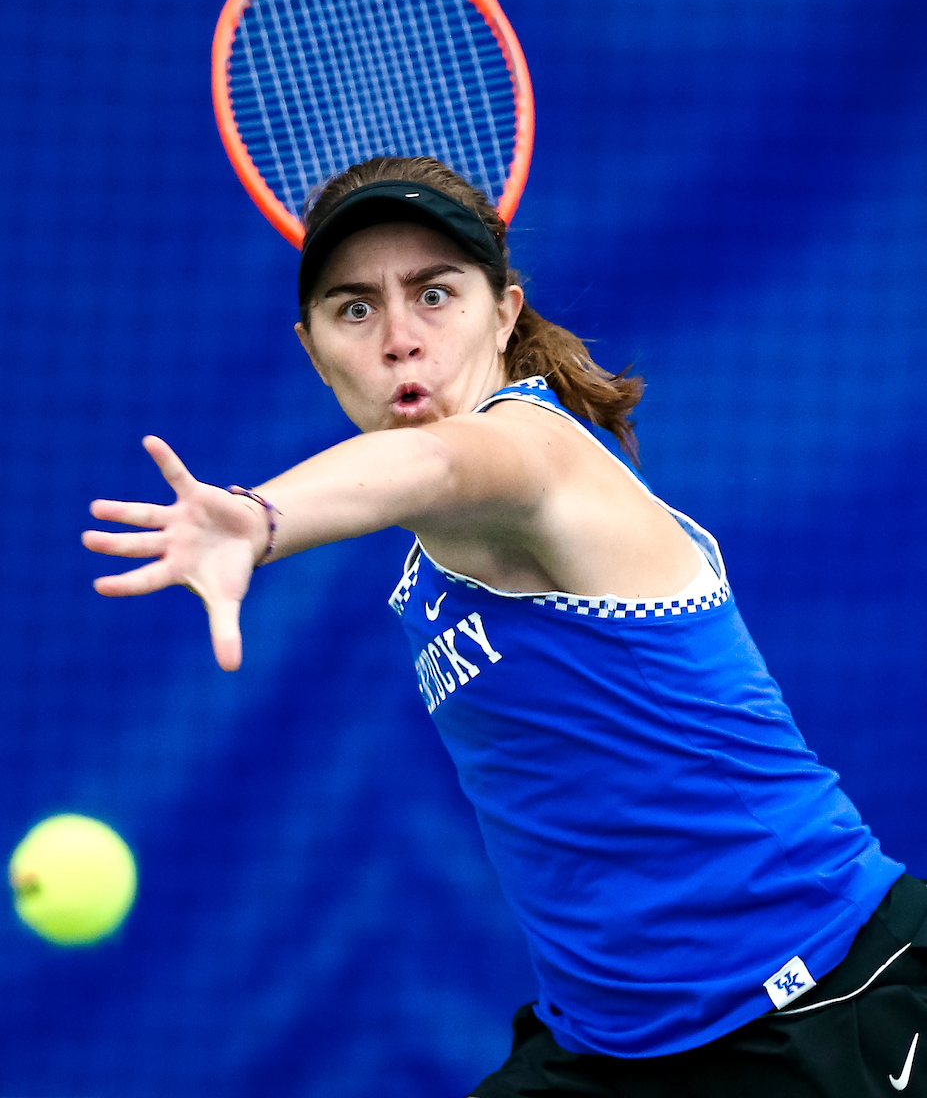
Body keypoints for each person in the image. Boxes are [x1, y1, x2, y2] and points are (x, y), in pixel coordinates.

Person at [83, 156, 927, 1097]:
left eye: (434, 294)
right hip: (608, 1048)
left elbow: (441, 466)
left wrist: (262, 517)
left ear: (504, 311)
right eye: (353, 309)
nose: (400, 339)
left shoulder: (534, 450)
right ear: (313, 349)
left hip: (826, 1006)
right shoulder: (425, 569)